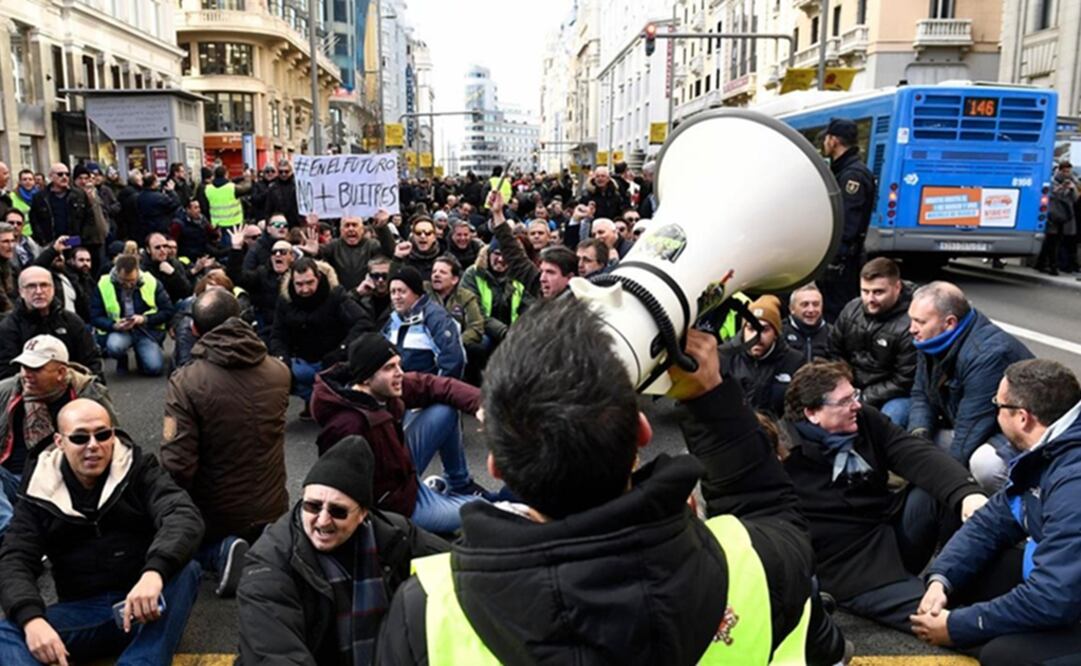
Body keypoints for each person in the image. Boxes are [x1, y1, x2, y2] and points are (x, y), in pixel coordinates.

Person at [376, 299, 848, 665]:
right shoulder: (755, 563)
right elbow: (773, 511)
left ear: (495, 465)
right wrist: (711, 400)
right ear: (642, 434)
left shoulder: (425, 610)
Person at [779, 360, 986, 633]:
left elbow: (913, 453)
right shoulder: (784, 455)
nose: (856, 405)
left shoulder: (864, 420)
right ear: (812, 413)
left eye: (855, 395)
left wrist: (966, 493)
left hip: (887, 533)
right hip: (852, 569)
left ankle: (960, 577)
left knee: (937, 492)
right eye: (844, 401)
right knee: (941, 619)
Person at [0, 399, 204, 665]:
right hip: (85, 610)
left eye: (103, 434)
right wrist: (32, 619)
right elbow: (14, 558)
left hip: (146, 601)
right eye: (80, 438)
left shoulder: (139, 468)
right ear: (60, 442)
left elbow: (182, 514)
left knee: (186, 569)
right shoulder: (39, 488)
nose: (93, 445)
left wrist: (154, 572)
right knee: (8, 632)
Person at [912, 359, 1081, 664]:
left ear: (1023, 418)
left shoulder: (1073, 481)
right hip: (1063, 585)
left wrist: (960, 626)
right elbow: (993, 521)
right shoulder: (1050, 448)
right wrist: (941, 579)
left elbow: (1054, 597)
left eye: (998, 404)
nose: (995, 411)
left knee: (1002, 655)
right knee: (962, 585)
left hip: (1066, 599)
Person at [236, 436, 449, 663]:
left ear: (363, 514)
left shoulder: (395, 534)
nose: (323, 520)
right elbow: (277, 657)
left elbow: (462, 567)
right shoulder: (269, 564)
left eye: (338, 511)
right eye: (312, 506)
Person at [162, 290, 291, 598]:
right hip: (273, 504)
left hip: (218, 515)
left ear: (195, 329)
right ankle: (267, 544)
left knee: (160, 540)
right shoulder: (278, 371)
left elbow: (177, 465)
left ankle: (218, 552)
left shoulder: (187, 381)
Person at [311, 334, 492, 535]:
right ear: (365, 377)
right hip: (397, 506)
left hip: (400, 471)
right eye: (389, 368)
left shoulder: (383, 388)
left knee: (445, 409)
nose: (400, 373)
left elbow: (434, 384)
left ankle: (458, 485)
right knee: (485, 508)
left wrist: (483, 405)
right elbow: (338, 489)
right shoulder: (347, 425)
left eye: (398, 365)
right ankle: (436, 497)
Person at [908, 281, 1035, 491]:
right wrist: (919, 436)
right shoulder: (932, 339)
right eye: (911, 319)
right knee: (912, 437)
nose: (912, 329)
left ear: (949, 323)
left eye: (919, 321)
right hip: (972, 425)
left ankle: (1022, 504)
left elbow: (971, 429)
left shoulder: (989, 355)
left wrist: (941, 486)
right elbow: (922, 394)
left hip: (1014, 435)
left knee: (985, 464)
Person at [0, 336, 115, 535]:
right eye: (22, 366)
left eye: (35, 368)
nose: (25, 374)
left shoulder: (90, 395)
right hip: (17, 479)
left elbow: (113, 444)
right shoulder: (6, 390)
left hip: (68, 479)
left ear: (61, 372)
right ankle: (10, 534)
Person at [270, 257, 365, 418]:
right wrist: (282, 359)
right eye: (299, 284)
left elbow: (361, 322)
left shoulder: (336, 295)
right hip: (302, 361)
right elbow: (278, 335)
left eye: (309, 283)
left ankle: (333, 400)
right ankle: (313, 398)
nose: (305, 289)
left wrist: (341, 350)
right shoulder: (285, 301)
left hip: (334, 359)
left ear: (318, 278)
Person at [828, 257, 917, 428]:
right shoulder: (851, 309)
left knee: (889, 418)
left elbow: (904, 379)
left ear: (897, 287)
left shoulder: (912, 322)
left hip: (895, 395)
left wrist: (864, 397)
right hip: (852, 385)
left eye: (878, 292)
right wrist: (845, 383)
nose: (870, 299)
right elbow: (834, 351)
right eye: (865, 291)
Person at [818, 118, 877, 322]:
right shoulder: (843, 171)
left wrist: (832, 261)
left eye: (826, 138)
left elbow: (846, 227)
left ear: (834, 140)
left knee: (837, 315)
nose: (824, 143)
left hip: (842, 265)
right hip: (840, 263)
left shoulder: (852, 176)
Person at [0, 267, 102, 379]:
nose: (39, 291)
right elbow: (6, 372)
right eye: (31, 286)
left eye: (44, 285)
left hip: (69, 386)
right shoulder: (8, 327)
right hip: (27, 389)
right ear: (21, 292)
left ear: (53, 288)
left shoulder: (72, 322)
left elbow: (92, 362)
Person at [89, 253, 175, 377]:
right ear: (117, 274)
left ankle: (142, 356)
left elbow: (167, 311)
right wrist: (114, 325)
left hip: (145, 330)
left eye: (132, 281)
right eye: (124, 281)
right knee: (114, 347)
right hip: (121, 331)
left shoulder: (151, 281)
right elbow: (95, 316)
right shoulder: (104, 284)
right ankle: (122, 358)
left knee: (154, 369)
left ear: (138, 272)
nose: (129, 285)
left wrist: (144, 319)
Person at [720, 295, 805, 417]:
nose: (756, 337)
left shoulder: (795, 361)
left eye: (764, 330)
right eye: (751, 329)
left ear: (775, 333)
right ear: (743, 330)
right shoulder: (725, 357)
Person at [382, 267, 465, 378]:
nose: (396, 297)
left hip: (425, 390)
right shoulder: (393, 319)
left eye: (402, 291)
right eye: (393, 292)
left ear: (416, 292)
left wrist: (438, 393)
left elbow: (452, 361)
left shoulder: (436, 318)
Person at [309, 211, 395, 291]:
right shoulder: (333, 246)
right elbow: (318, 258)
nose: (351, 229)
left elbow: (389, 252)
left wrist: (383, 228)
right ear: (341, 230)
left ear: (362, 229)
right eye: (347, 225)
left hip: (368, 298)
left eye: (354, 225)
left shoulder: (372, 245)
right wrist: (314, 252)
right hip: (341, 299)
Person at [426, 255, 485, 351]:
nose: (436, 275)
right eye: (434, 272)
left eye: (443, 272)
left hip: (456, 344)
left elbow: (476, 327)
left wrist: (455, 342)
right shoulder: (423, 291)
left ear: (454, 280)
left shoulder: (466, 297)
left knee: (481, 346)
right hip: (427, 342)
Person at [29, 163, 91, 248]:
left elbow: (88, 219)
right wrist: (43, 241)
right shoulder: (40, 197)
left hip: (74, 245)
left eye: (67, 174)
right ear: (51, 177)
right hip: (51, 245)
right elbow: (34, 221)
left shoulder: (79, 195)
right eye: (60, 174)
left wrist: (81, 240)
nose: (64, 177)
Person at [783, 283, 831, 363]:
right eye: (805, 305)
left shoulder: (832, 334)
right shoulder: (780, 333)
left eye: (816, 304)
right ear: (792, 309)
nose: (811, 310)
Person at [143, 232, 193, 304]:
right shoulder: (143, 268)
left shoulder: (174, 263)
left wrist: (173, 274)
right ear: (148, 249)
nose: (162, 250)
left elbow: (187, 291)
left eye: (165, 246)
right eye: (157, 247)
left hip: (175, 304)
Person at [264, 158, 299, 227]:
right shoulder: (272, 187)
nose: (283, 174)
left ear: (291, 171)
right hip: (278, 223)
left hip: (295, 223)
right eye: (281, 172)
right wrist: (268, 225)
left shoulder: (297, 185)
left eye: (286, 171)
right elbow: (268, 209)